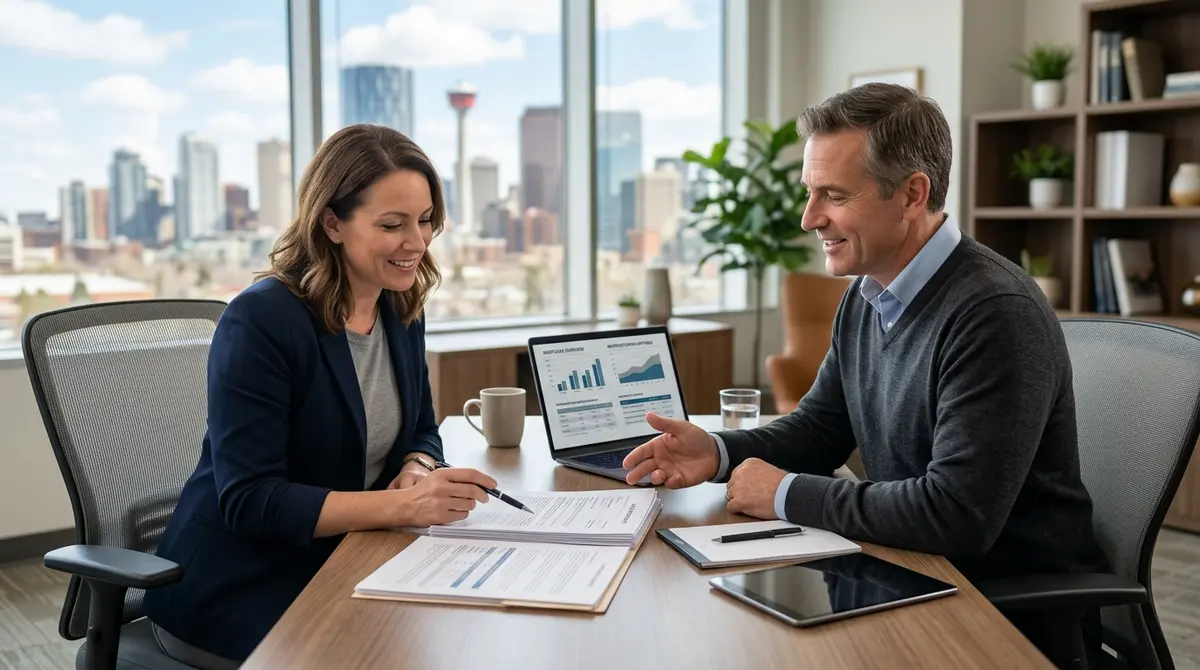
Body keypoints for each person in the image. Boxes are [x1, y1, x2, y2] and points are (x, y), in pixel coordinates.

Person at [622, 83, 1108, 664]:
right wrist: (718, 452)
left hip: (996, 612)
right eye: (810, 192)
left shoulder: (994, 314)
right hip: (905, 572)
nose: (809, 219)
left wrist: (784, 493)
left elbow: (954, 516)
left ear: (911, 195)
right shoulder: (868, 295)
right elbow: (818, 431)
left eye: (832, 195)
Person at [144, 124, 498, 667]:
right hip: (247, 581)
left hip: (349, 555)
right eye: (392, 224)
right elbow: (251, 499)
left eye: (426, 221)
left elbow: (424, 427)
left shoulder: (399, 307)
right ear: (331, 222)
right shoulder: (262, 319)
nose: (418, 242)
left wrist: (418, 464)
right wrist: (403, 504)